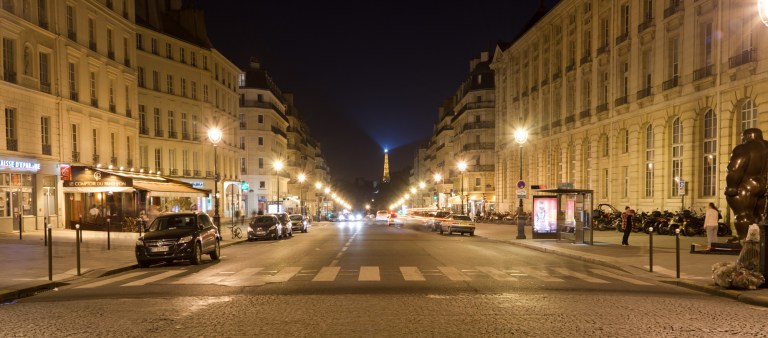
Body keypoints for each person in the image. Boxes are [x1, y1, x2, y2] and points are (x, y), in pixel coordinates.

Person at [725, 128, 768, 239]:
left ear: (748, 136)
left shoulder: (743, 148)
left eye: (743, 137)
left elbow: (735, 168)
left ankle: (744, 240)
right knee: (762, 215)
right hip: (765, 186)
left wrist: (731, 187)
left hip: (747, 185)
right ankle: (762, 241)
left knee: (743, 214)